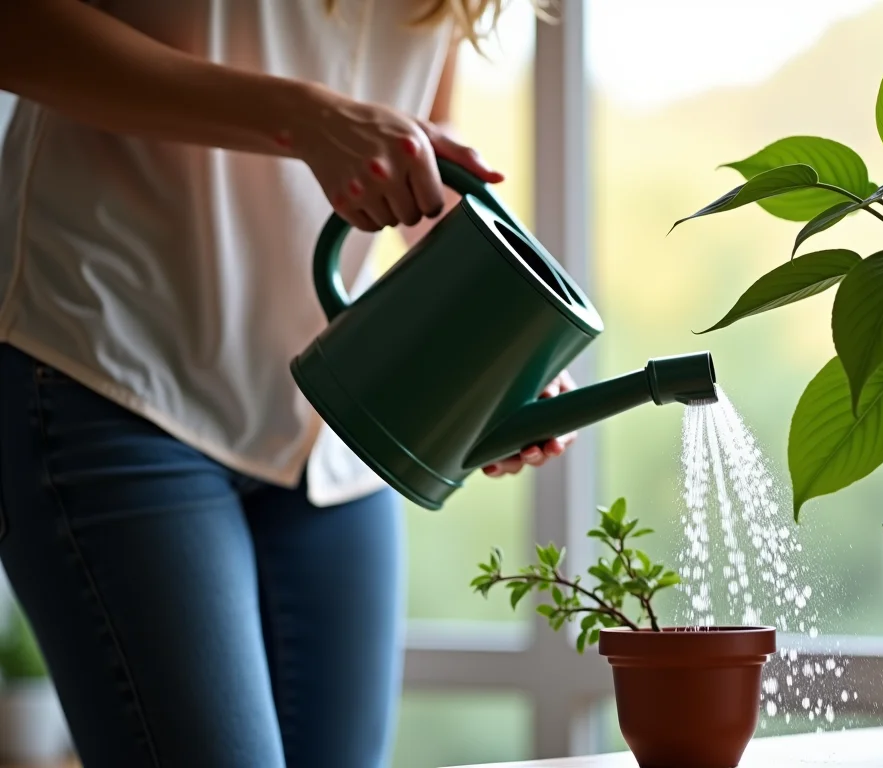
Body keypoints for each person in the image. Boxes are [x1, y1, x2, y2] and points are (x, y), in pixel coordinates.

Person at [0, 1, 572, 766]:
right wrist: (305, 119)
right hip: (112, 363)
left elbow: (420, 162)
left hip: (330, 431)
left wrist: (499, 350)